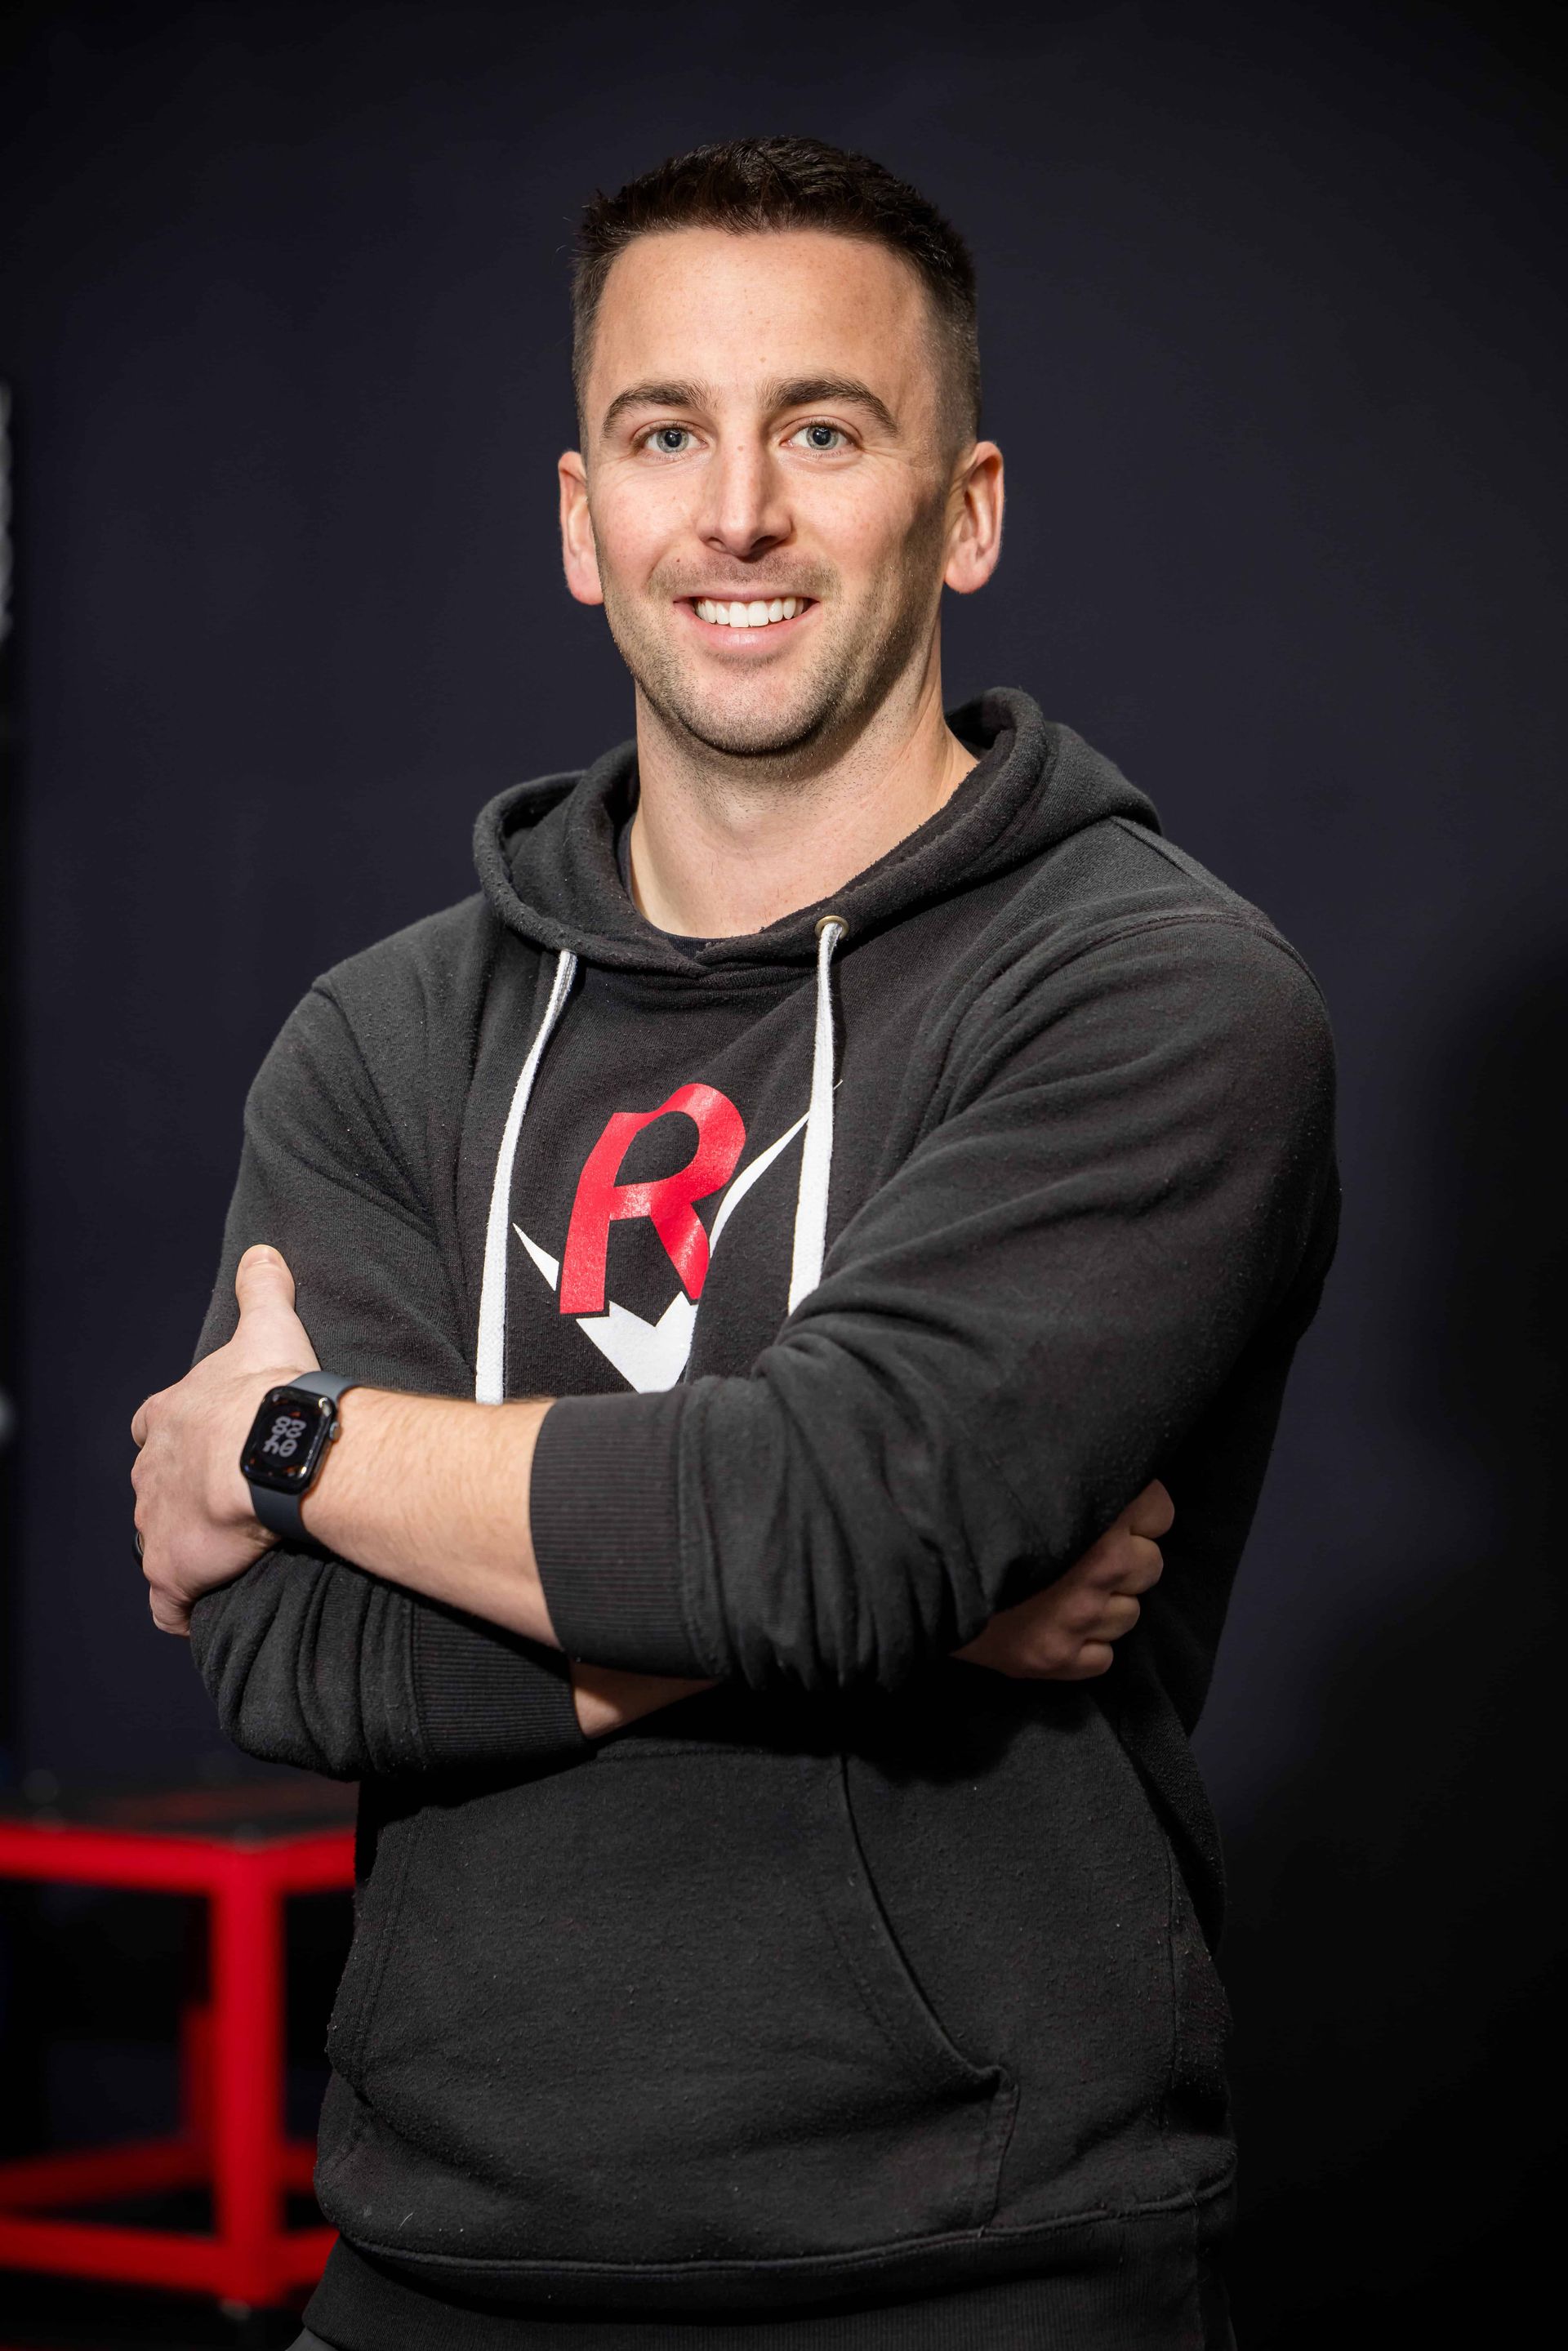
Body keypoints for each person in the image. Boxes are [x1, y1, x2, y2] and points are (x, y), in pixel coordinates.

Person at [131, 137, 1338, 2351]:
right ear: (581, 516)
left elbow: (839, 1524)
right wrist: (872, 1603)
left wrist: (298, 1445)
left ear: (966, 508)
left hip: (981, 2275)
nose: (740, 514)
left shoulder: (1153, 992)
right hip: (431, 2272)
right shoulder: (385, 1035)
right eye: (666, 434)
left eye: (826, 431)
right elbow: (287, 1655)